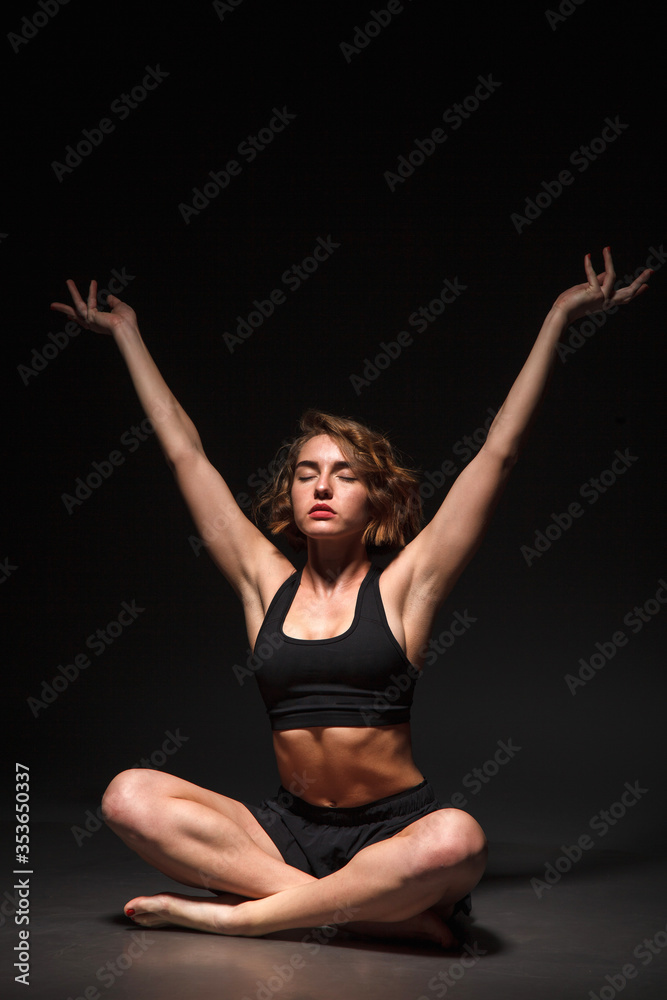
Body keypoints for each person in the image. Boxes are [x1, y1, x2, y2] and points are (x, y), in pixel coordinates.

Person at [51, 249, 650, 948]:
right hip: (283, 831)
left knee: (457, 840)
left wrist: (556, 319)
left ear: (376, 498)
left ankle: (238, 916)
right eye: (307, 473)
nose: (322, 486)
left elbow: (498, 452)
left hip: (392, 832)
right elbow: (186, 455)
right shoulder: (260, 582)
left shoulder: (406, 586)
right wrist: (127, 334)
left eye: (343, 473)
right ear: (292, 495)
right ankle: (363, 910)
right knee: (128, 795)